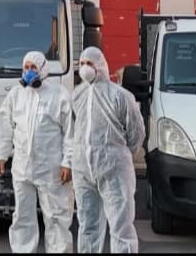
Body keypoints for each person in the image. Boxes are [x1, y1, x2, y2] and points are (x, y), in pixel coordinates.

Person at [0, 51, 74, 253]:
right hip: (22, 168)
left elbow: (71, 132)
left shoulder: (59, 95)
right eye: (26, 67)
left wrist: (68, 162)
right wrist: (1, 155)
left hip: (52, 170)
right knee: (23, 217)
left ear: (43, 69)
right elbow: (5, 125)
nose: (29, 72)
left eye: (33, 68)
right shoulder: (16, 94)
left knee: (56, 217)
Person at [67, 46, 145, 253]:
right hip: (84, 170)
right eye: (82, 64)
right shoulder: (77, 95)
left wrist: (117, 154)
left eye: (89, 64)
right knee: (87, 225)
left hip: (114, 169)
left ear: (100, 65)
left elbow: (136, 132)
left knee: (121, 226)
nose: (85, 68)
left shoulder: (121, 96)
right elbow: (73, 131)